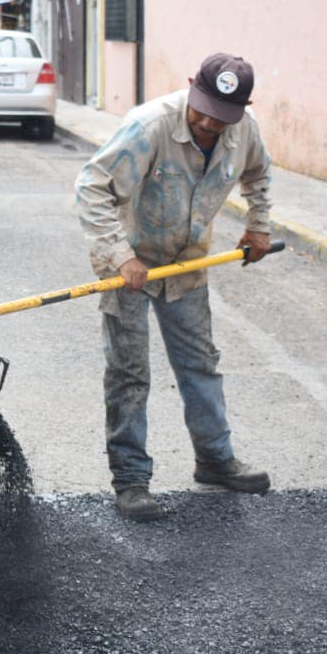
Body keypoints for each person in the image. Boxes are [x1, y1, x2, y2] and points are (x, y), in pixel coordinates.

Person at [75, 52, 274, 522]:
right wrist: (120, 255)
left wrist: (258, 224)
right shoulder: (149, 126)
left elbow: (259, 173)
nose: (208, 123)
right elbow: (91, 187)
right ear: (191, 87)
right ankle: (131, 480)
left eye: (222, 116)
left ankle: (215, 460)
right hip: (130, 267)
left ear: (243, 108)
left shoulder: (242, 132)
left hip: (186, 266)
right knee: (129, 374)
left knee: (200, 365)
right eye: (203, 109)